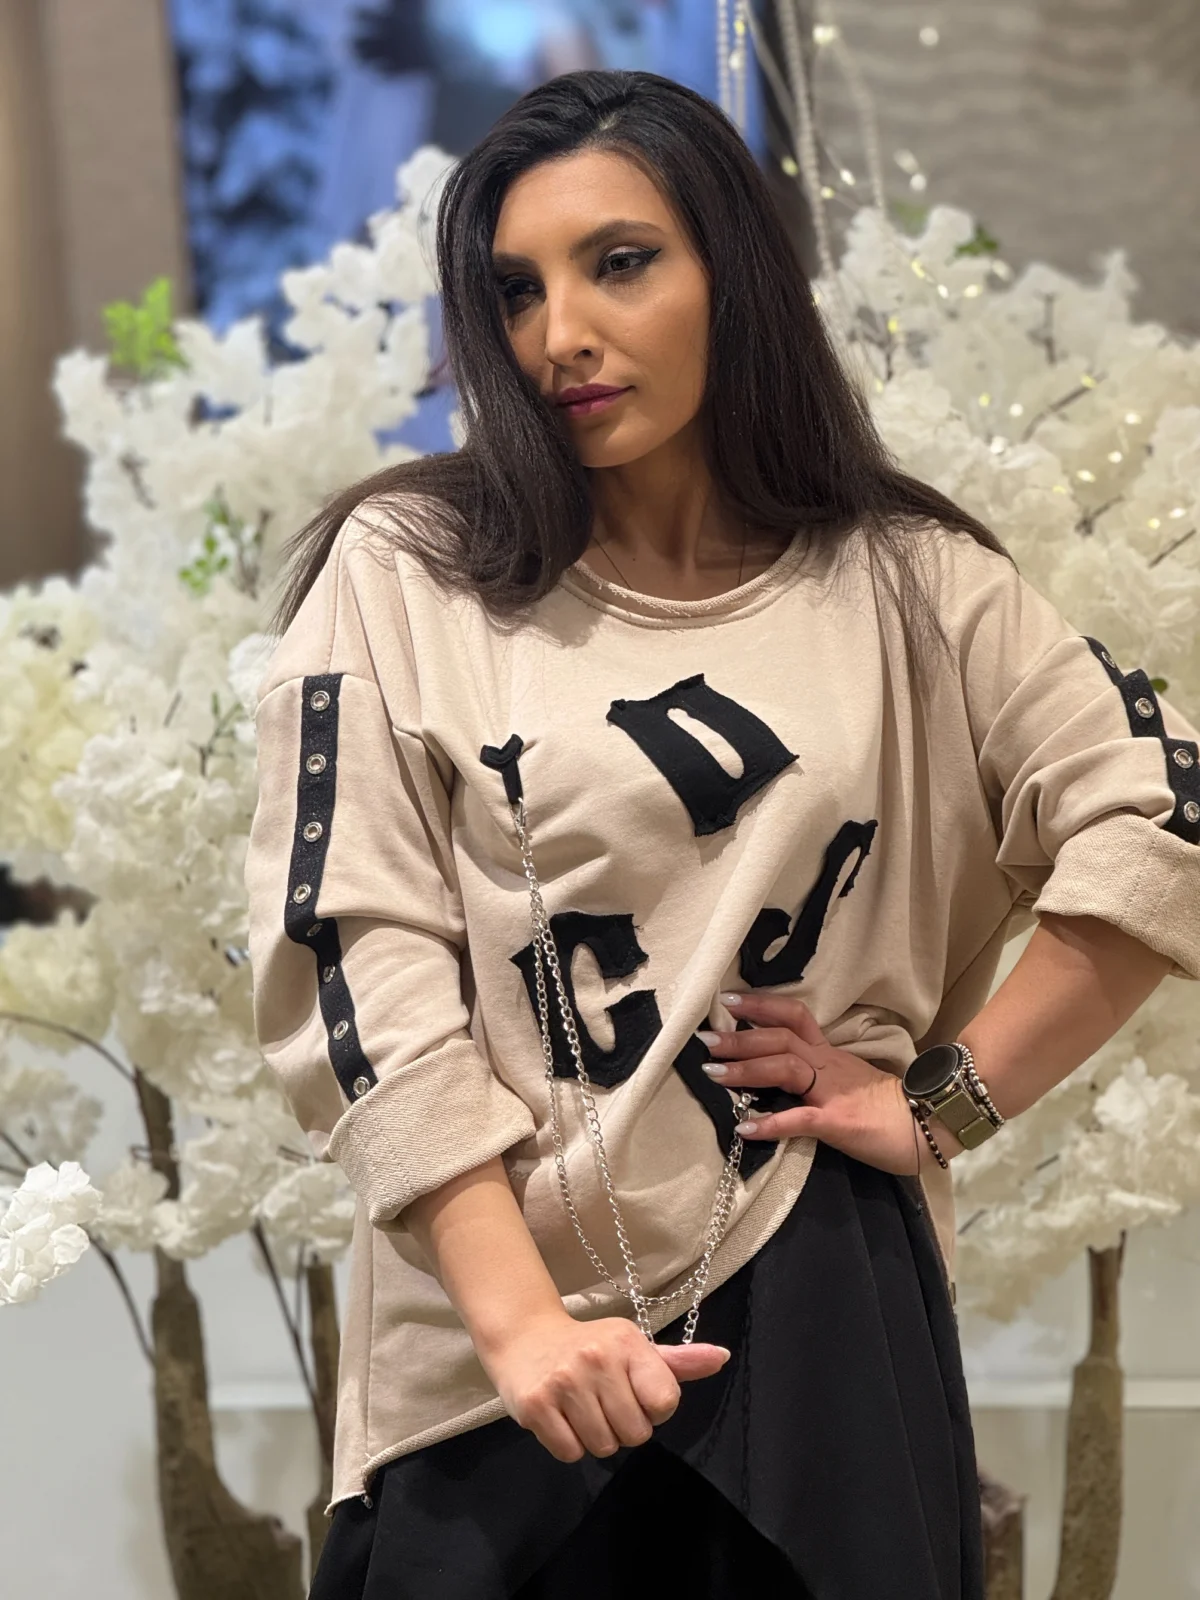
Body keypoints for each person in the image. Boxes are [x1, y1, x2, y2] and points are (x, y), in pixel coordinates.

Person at [243, 69, 1200, 1600]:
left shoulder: (909, 581)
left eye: (620, 262)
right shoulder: (409, 571)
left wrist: (947, 1101)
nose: (561, 332)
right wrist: (520, 1324)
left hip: (821, 1296)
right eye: (515, 291)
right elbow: (351, 953)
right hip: (498, 1353)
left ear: (733, 273)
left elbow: (1165, 805)